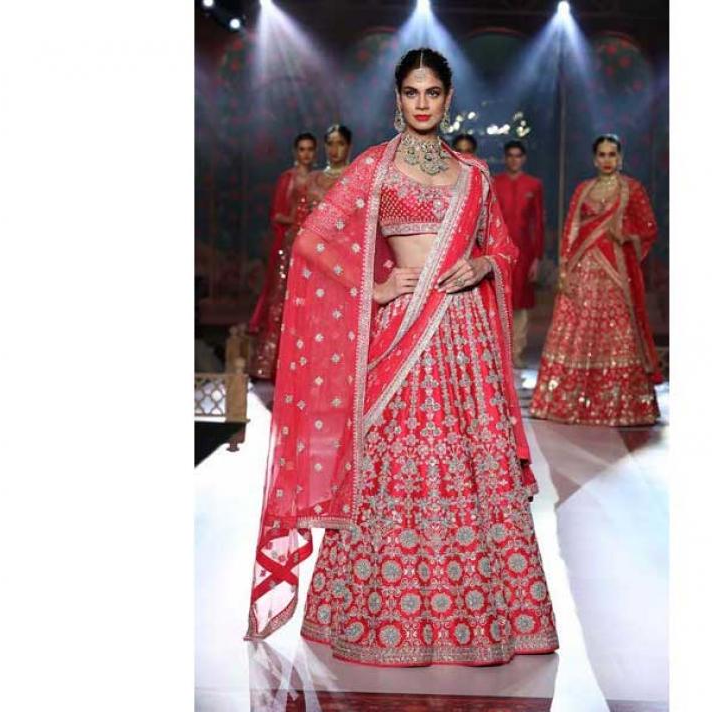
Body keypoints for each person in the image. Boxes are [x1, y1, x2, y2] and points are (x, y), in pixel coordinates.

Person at [245, 47, 559, 667]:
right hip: (401, 332)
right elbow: (311, 242)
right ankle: (382, 612)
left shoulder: (474, 174)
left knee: (469, 461)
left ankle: (481, 611)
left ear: (448, 98)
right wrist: (376, 286)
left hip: (463, 334)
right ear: (398, 98)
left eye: (432, 93)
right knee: (393, 460)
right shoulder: (375, 167)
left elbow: (503, 247)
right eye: (411, 92)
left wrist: (483, 264)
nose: (422, 103)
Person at [530, 134, 661, 425]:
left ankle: (620, 405)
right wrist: (565, 270)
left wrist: (626, 235)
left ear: (620, 157)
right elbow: (571, 230)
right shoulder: (583, 189)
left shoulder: (632, 189)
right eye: (602, 154)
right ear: (594, 158)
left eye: (612, 154)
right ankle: (568, 402)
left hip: (616, 272)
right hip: (583, 270)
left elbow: (649, 228)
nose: (607, 160)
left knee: (619, 332)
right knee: (575, 331)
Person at [247, 133, 318, 380]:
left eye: (310, 149)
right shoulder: (288, 178)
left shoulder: (318, 179)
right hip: (289, 246)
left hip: (310, 246)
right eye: (302, 149)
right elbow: (277, 214)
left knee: (307, 300)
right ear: (295, 152)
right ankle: (271, 364)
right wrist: (297, 220)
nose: (306, 154)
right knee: (281, 299)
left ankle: (302, 362)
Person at [492, 140, 545, 368]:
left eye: (518, 156)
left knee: (520, 303)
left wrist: (537, 258)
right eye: (510, 156)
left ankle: (516, 353)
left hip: (524, 252)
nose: (514, 160)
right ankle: (498, 354)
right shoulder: (494, 182)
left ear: (523, 159)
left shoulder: (534, 185)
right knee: (497, 299)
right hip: (498, 250)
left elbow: (538, 223)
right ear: (505, 158)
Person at [306, 124, 352, 209]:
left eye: (340, 144)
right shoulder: (312, 178)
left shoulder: (354, 178)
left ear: (349, 146)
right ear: (325, 146)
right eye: (330, 144)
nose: (334, 150)